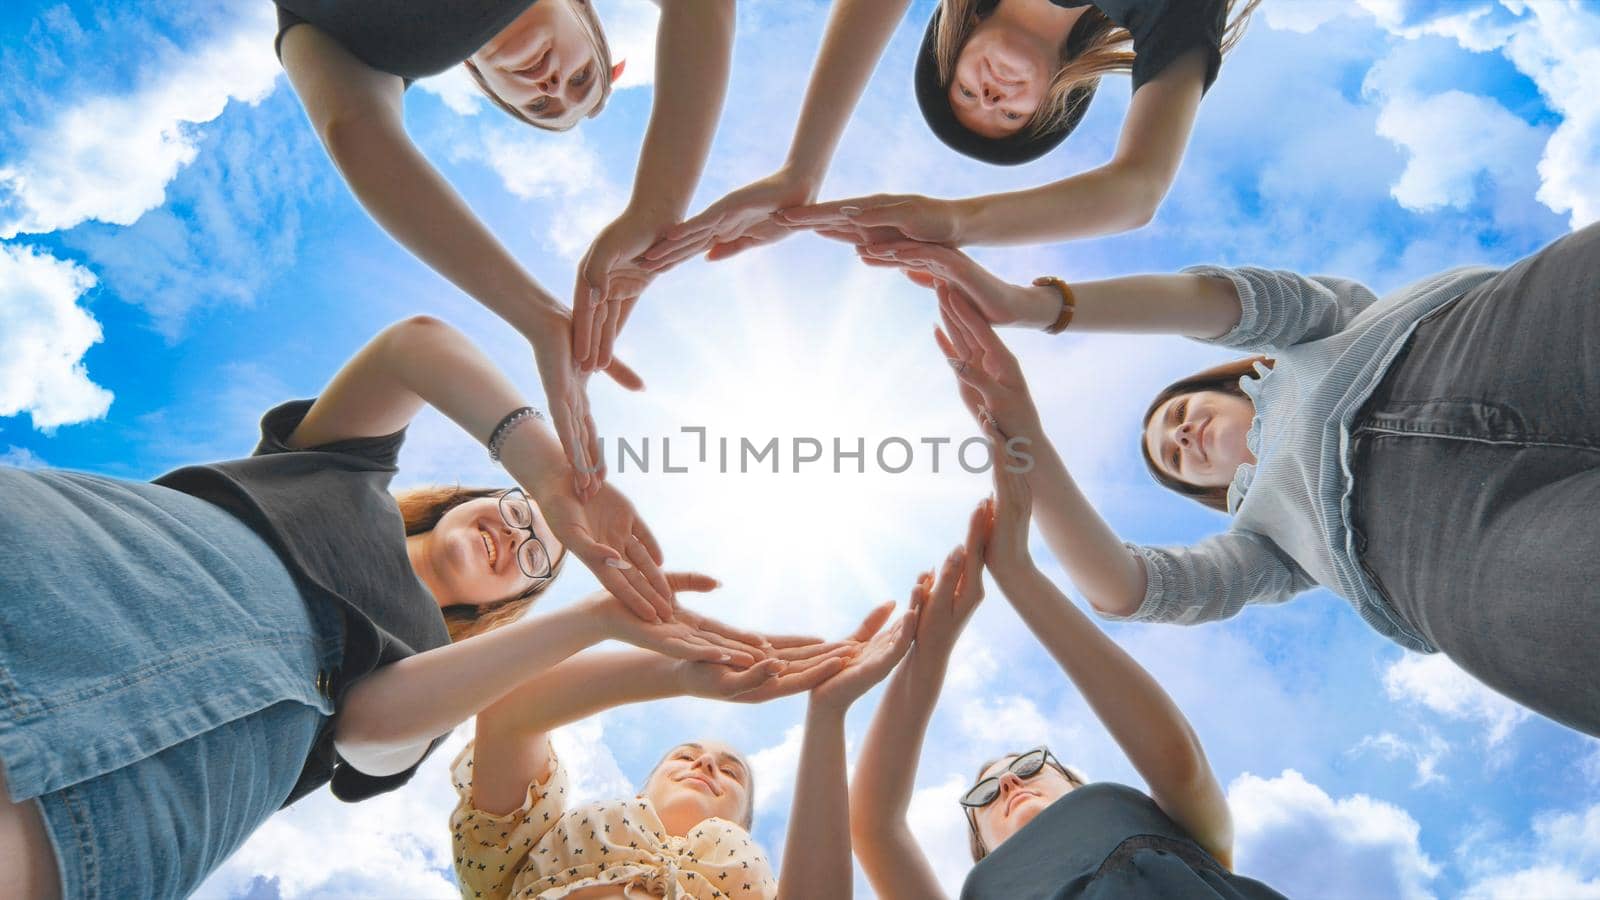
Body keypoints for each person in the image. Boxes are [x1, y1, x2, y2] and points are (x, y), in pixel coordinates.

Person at [0, 314, 814, 899]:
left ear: (506, 610)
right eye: (518, 511)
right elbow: (414, 348)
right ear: (464, 496)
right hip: (88, 572)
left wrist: (601, 619)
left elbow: (363, 727)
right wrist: (555, 482)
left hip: (173, 792)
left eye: (536, 564)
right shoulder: (343, 474)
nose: (517, 536)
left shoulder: (438, 673)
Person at [857, 222, 1600, 737]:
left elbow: (1222, 301)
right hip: (1441, 554)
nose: (1179, 435)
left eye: (1177, 414)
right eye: (1176, 459)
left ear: (1230, 380)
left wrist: (1036, 307)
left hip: (1476, 343)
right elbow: (1127, 589)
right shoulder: (1268, 544)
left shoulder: (1322, 329)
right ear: (1209, 490)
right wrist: (1020, 431)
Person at [611, 0, 1258, 373]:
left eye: (969, 92)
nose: (994, 93)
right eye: (1009, 113)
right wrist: (954, 223)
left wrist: (800, 171)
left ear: (956, 40)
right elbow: (1137, 191)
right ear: (1055, 97)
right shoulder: (1171, 16)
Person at [275, 0, 741, 491]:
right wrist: (657, 208)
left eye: (539, 106)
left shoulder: (372, 49)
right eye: (582, 76)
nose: (554, 87)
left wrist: (537, 317)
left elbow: (355, 132)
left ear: (479, 74)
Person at [849, 467, 1284, 898]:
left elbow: (1178, 764)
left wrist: (1020, 575)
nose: (1009, 784)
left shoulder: (1175, 828)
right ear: (981, 848)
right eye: (984, 794)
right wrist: (926, 652)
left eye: (1028, 765)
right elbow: (873, 827)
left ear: (1075, 784)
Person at [450, 591, 919, 899]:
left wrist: (828, 712)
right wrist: (679, 672)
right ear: (641, 790)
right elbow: (508, 715)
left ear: (745, 823)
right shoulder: (541, 844)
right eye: (685, 755)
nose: (707, 765)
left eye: (731, 772)